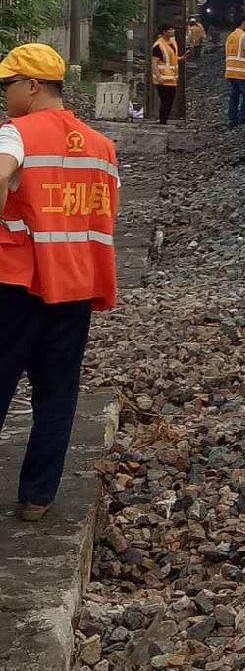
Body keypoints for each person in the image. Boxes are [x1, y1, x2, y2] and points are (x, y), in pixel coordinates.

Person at [0, 43, 119, 521]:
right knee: (57, 392)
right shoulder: (102, 148)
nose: (5, 95)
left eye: (8, 85)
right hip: (72, 287)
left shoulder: (14, 135)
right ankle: (37, 498)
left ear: (33, 86)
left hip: (16, 285)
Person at [225, 15, 245, 128]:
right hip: (242, 71)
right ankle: (244, 118)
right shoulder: (244, 36)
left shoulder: (231, 36)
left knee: (234, 96)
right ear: (244, 23)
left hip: (231, 71)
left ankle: (232, 118)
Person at [151, 24, 180, 126]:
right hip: (162, 79)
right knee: (165, 101)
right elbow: (154, 62)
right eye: (170, 30)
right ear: (164, 32)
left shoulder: (172, 43)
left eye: (173, 29)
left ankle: (164, 120)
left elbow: (171, 59)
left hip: (171, 78)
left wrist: (181, 58)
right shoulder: (158, 45)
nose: (173, 31)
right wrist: (158, 76)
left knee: (169, 101)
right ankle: (162, 121)